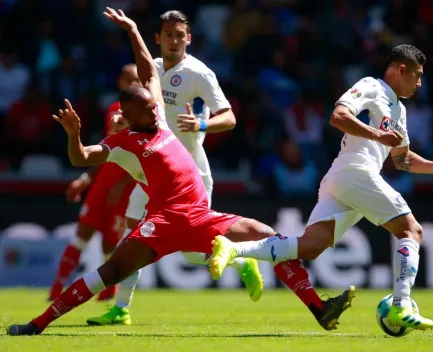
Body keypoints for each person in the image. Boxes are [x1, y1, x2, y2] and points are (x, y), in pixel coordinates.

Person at [7, 8, 354, 336]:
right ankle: (40, 323)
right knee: (109, 271)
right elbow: (82, 157)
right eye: (146, 104)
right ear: (129, 115)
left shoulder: (159, 121)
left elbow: (147, 72)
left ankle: (317, 306)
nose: (155, 105)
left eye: (151, 100)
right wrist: (73, 135)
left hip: (198, 215)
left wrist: (132, 31)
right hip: (163, 221)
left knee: (267, 235)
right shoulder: (124, 144)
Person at [209, 44, 433, 331]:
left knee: (308, 247)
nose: (420, 83)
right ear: (400, 69)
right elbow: (338, 117)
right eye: (417, 75)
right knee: (412, 231)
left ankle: (234, 249)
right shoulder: (371, 86)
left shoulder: (400, 110)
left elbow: (402, 159)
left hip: (347, 179)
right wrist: (377, 134)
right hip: (356, 171)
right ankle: (401, 305)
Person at [86, 10, 262, 326]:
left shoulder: (199, 73)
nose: (174, 40)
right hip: (153, 172)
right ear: (158, 38)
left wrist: (202, 123)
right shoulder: (151, 68)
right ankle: (121, 308)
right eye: (168, 34)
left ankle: (241, 261)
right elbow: (147, 114)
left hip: (190, 174)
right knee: (131, 233)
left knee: (192, 253)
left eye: (180, 35)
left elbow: (230, 117)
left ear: (189, 38)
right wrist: (125, 121)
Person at [48, 64, 140, 301]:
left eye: (137, 80)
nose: (132, 84)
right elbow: (106, 150)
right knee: (81, 234)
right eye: (128, 79)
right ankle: (57, 289)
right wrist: (86, 178)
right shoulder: (113, 109)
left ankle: (108, 294)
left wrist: (122, 185)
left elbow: (142, 156)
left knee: (110, 246)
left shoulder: (147, 114)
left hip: (126, 190)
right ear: (120, 82)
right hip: (102, 185)